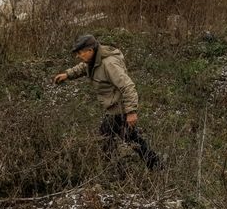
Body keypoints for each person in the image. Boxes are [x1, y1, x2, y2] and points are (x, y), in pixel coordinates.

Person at [53, 34, 161, 170]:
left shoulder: (109, 64)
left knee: (111, 140)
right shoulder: (95, 59)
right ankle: (152, 166)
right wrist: (68, 74)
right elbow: (84, 67)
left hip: (120, 110)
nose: (78, 56)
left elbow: (127, 86)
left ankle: (123, 171)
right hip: (113, 109)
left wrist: (131, 112)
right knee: (126, 140)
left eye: (80, 53)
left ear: (90, 51)